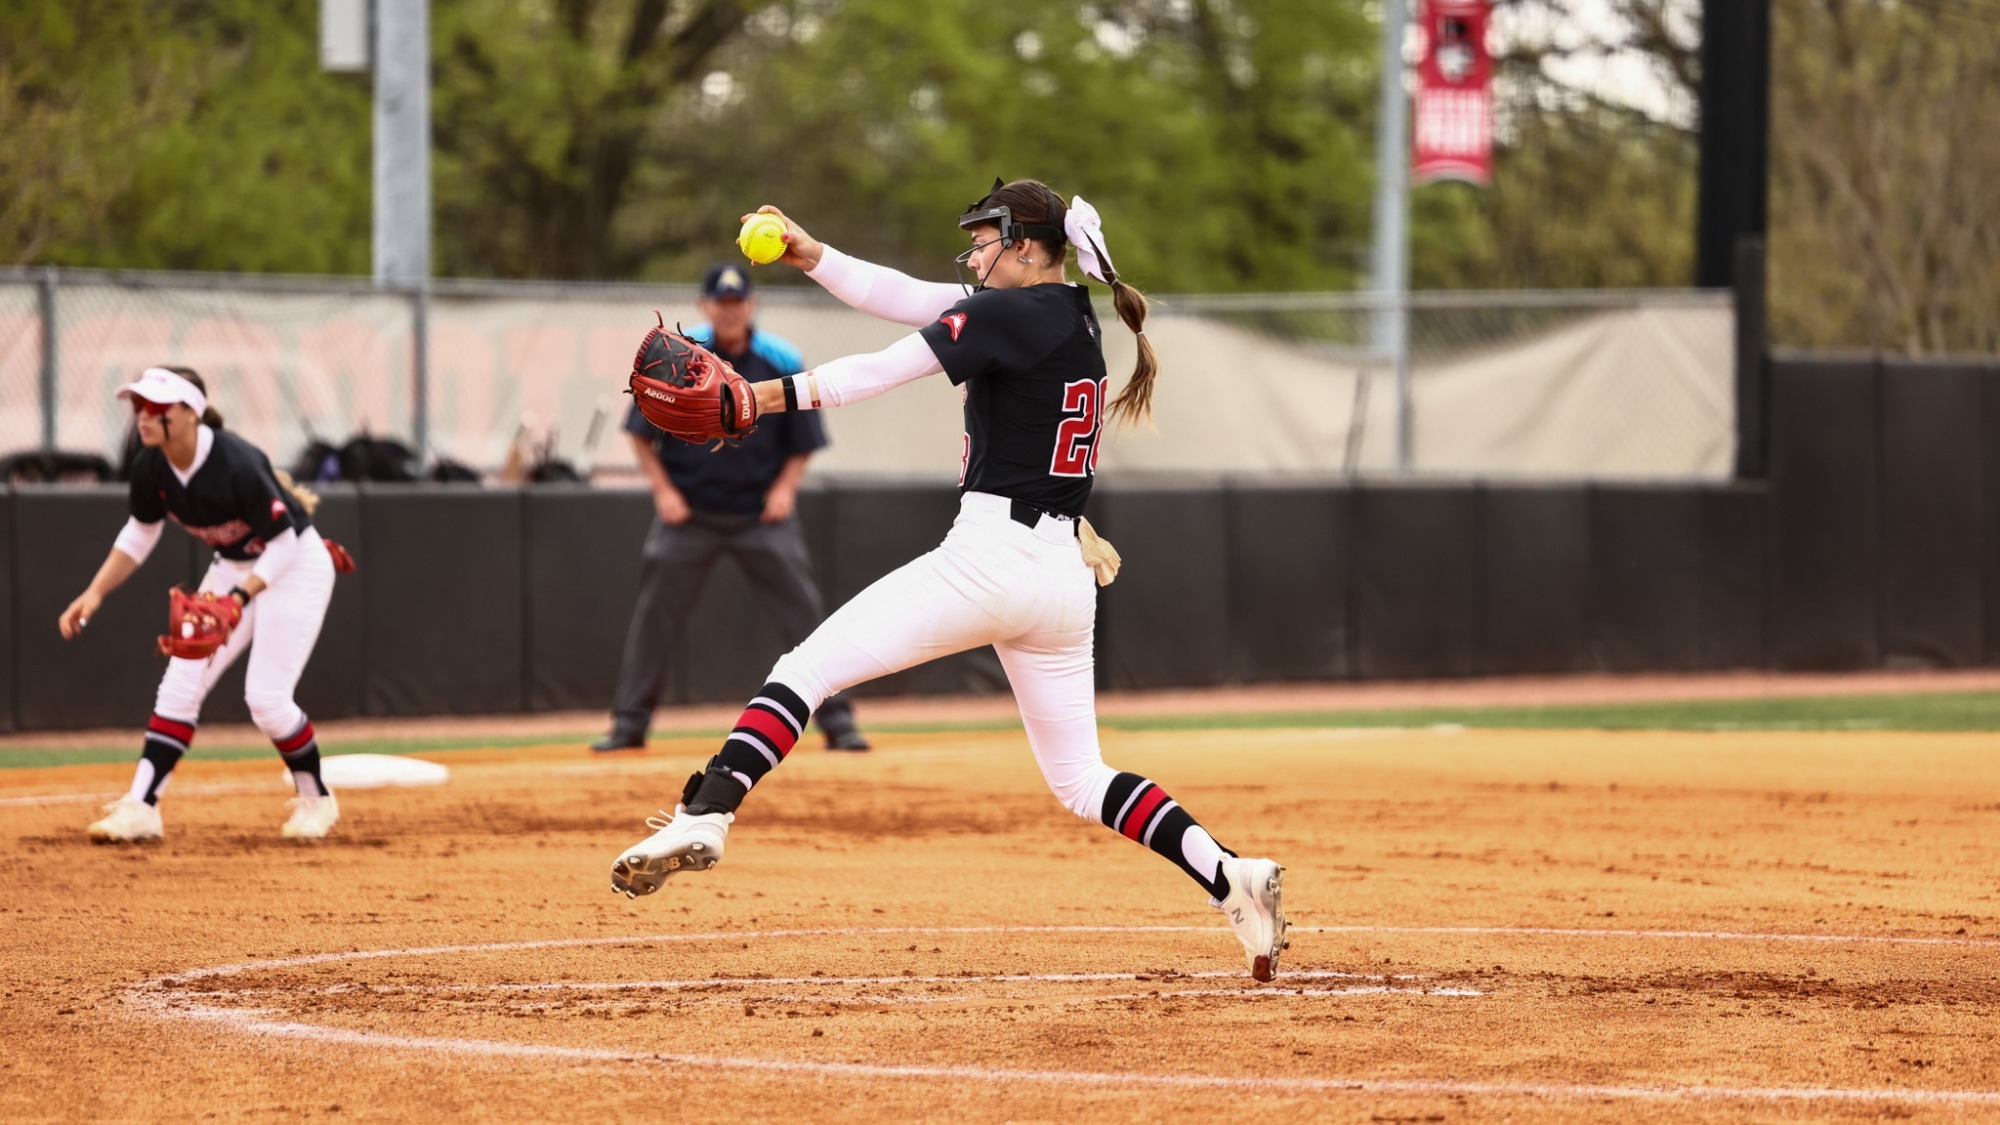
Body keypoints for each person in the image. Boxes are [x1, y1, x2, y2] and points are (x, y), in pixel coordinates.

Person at [609, 181, 1289, 981]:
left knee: (806, 668)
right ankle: (1229, 874)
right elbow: (901, 296)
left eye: (984, 238)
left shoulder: (1006, 314)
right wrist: (811, 252)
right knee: (1081, 778)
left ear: (1027, 246)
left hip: (992, 558)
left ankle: (708, 811)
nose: (971, 252)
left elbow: (885, 368)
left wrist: (756, 398)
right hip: (1062, 577)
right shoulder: (1067, 313)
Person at [58, 366, 345, 842]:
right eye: (138, 407)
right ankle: (141, 807)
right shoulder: (151, 466)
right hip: (235, 566)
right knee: (180, 683)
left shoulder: (236, 461)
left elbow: (283, 544)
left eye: (156, 408)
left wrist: (237, 599)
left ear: (190, 413)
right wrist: (96, 591)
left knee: (267, 700)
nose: (143, 417)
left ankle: (317, 799)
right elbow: (140, 532)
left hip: (293, 565)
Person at [593, 263, 870, 753]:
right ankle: (629, 725)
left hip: (761, 516)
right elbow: (637, 436)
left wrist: (786, 488)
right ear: (705, 306)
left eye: (737, 301)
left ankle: (840, 722)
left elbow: (803, 439)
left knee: (805, 617)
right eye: (720, 302)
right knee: (654, 617)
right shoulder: (681, 357)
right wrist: (664, 491)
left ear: (751, 303)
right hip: (690, 513)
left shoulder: (779, 357)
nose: (729, 309)